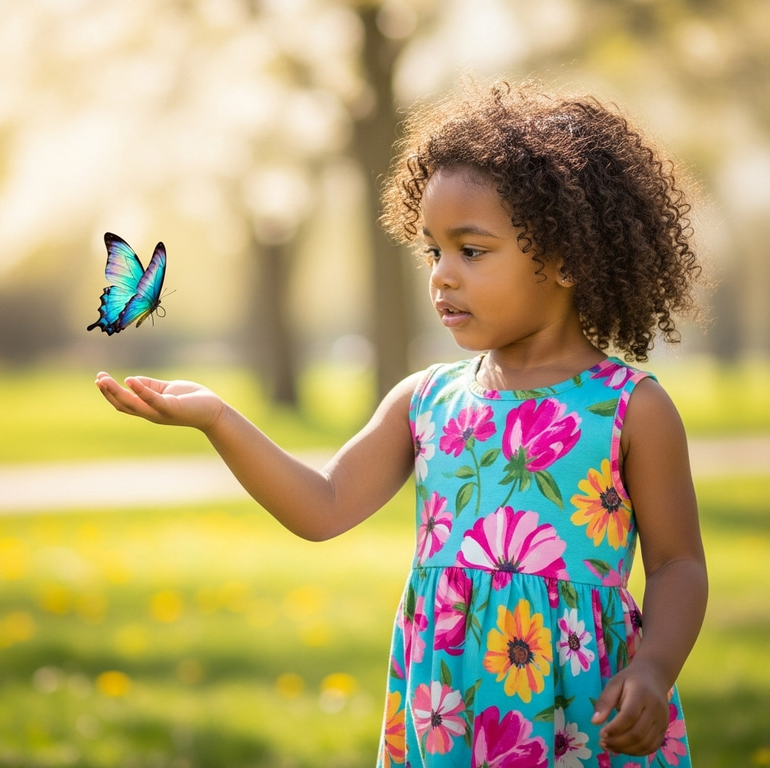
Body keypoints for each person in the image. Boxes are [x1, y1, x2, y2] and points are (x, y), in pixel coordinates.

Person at [95, 79, 708, 767]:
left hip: (580, 714)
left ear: (565, 258)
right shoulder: (426, 400)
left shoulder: (630, 407)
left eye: (470, 251)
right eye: (432, 252)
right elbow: (322, 505)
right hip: (446, 708)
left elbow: (678, 562)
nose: (442, 276)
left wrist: (654, 667)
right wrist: (218, 419)